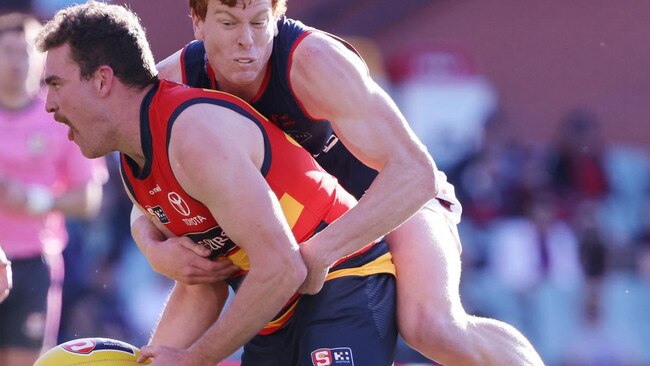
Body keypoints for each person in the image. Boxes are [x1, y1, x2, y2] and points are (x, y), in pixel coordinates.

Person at [131, 0, 545, 365]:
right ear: (197, 22)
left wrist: (321, 250)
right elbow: (145, 193)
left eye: (259, 22)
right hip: (298, 224)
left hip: (388, 198)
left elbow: (413, 174)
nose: (247, 41)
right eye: (228, 23)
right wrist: (153, 247)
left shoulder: (313, 61)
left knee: (430, 326)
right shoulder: (174, 81)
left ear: (278, 16)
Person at [36, 2, 398, 365]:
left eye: (55, 84)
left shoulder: (193, 136)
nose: (49, 104)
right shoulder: (134, 164)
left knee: (432, 327)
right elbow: (203, 282)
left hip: (344, 277)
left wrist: (195, 358)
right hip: (273, 307)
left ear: (102, 80)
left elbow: (284, 265)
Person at [0, 12, 106, 366]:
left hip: (35, 260)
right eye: (8, 51)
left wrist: (34, 200)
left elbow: (89, 199)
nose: (17, 61)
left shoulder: (58, 113)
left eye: (26, 51)